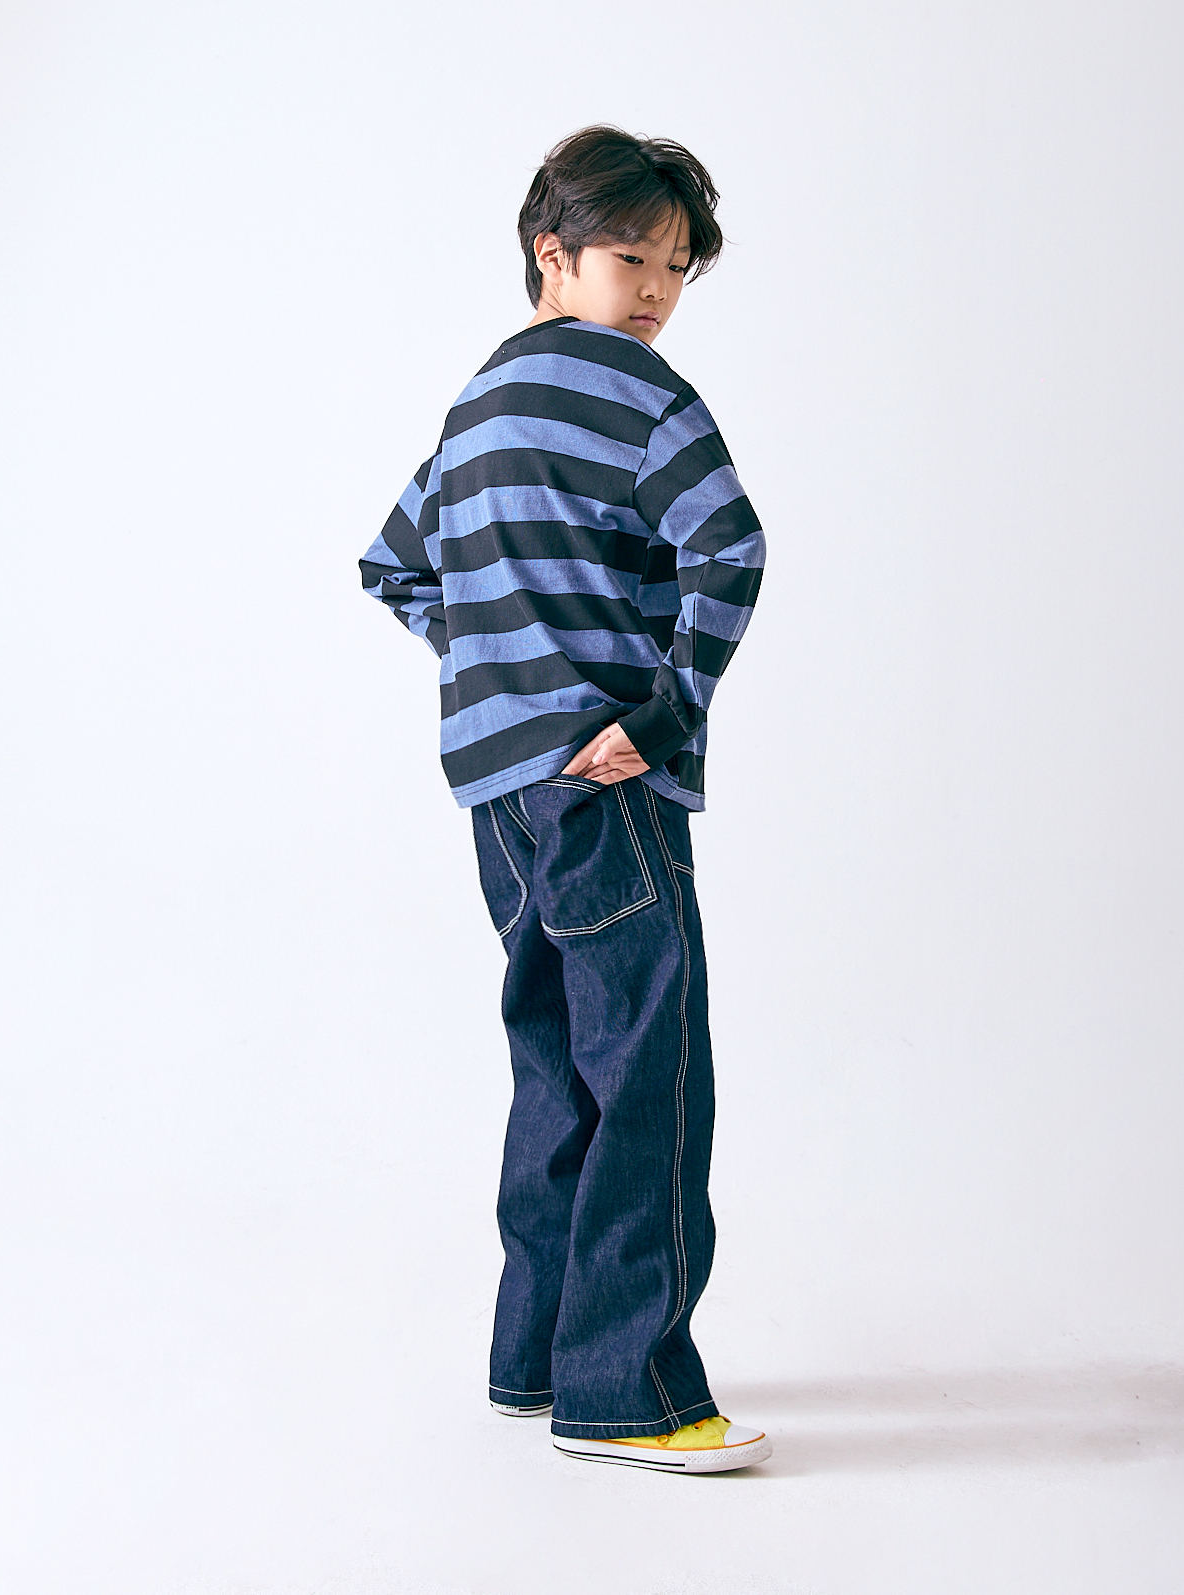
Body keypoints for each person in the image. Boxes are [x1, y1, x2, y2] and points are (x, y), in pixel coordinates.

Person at [359, 126, 769, 1474]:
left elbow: (396, 563)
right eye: (632, 257)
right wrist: (657, 716)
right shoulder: (641, 394)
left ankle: (534, 1361)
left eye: (677, 268)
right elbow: (731, 546)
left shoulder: (474, 405)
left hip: (502, 796)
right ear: (554, 252)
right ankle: (630, 1393)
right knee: (647, 1071)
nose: (655, 291)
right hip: (608, 788)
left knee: (555, 1068)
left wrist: (503, 679)